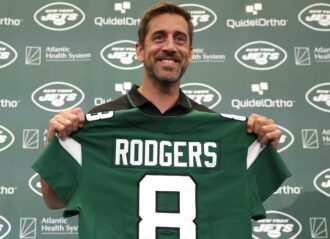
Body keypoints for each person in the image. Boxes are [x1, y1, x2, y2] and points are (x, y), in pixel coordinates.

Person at [33, 2, 290, 238]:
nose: (170, 46)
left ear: (189, 53)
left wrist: (261, 145)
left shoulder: (223, 131)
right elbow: (54, 201)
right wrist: (56, 141)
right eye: (159, 37)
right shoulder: (97, 126)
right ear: (139, 50)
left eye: (180, 39)